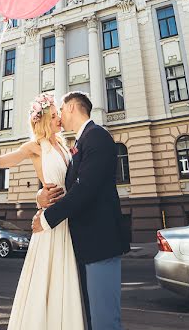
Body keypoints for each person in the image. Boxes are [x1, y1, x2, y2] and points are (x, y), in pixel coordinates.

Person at [0, 94, 84, 330]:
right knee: (45, 280)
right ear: (42, 121)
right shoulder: (34, 147)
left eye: (57, 114)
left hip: (67, 222)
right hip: (49, 225)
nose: (59, 119)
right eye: (54, 116)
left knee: (65, 281)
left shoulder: (64, 145)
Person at [34, 91, 128, 330]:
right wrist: (40, 198)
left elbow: (85, 190)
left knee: (105, 321)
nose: (59, 117)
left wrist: (46, 219)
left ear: (73, 108)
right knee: (92, 318)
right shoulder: (80, 142)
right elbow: (66, 188)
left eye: (62, 111)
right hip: (85, 246)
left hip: (100, 245)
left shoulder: (97, 136)